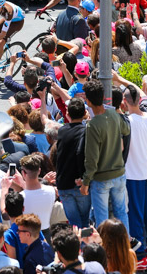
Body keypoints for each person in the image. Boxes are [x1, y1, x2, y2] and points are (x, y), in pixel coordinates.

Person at [119, 85, 147, 269]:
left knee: (135, 215)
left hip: (132, 176)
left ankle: (140, 254)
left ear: (124, 102)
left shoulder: (125, 122)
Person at [80, 79, 131, 232]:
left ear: (88, 101)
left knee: (101, 218)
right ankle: (126, 247)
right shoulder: (114, 115)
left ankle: (104, 252)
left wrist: (85, 182)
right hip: (119, 174)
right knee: (121, 212)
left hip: (101, 179)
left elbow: (91, 158)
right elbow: (127, 130)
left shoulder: (93, 125)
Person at [55, 97, 90, 228]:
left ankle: (78, 246)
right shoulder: (86, 130)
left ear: (67, 114)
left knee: (75, 225)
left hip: (64, 183)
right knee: (84, 222)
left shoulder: (62, 130)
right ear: (85, 114)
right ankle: (85, 246)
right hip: (79, 183)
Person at [17, 154, 56, 240]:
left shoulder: (20, 197)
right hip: (47, 236)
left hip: (28, 237)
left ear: (23, 173)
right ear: (39, 171)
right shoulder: (51, 191)